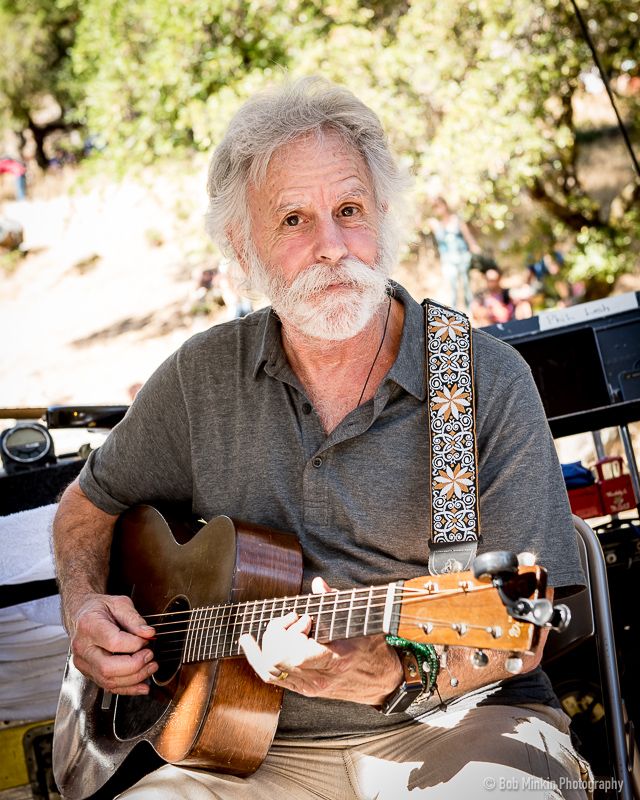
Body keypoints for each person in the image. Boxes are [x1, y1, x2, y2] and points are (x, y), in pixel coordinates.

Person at [52, 78, 591, 799]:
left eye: (348, 211)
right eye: (294, 221)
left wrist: (391, 674)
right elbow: (85, 509)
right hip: (245, 759)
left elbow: (524, 622)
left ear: (384, 218)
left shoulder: (479, 381)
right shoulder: (200, 379)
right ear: (242, 246)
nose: (332, 247)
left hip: (462, 726)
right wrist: (85, 606)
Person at [426, 196, 480, 311]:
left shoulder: (456, 219)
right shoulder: (436, 225)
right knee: (452, 288)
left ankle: (470, 312)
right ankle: (454, 315)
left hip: (462, 257)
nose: (438, 209)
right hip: (448, 260)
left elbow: (467, 236)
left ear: (445, 205)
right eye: (435, 207)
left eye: (439, 205)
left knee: (466, 286)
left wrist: (473, 246)